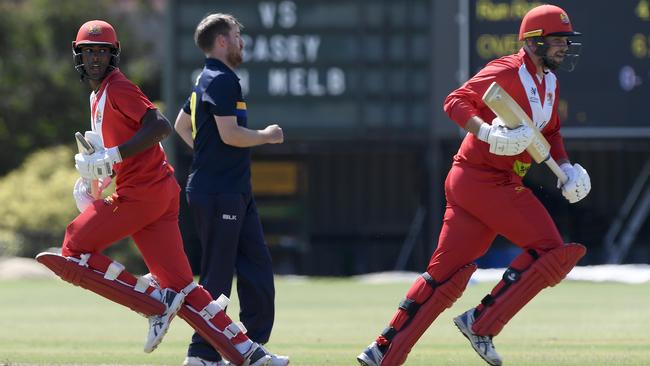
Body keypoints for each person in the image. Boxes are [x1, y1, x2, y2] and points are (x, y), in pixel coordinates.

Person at [37, 19, 284, 366]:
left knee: (73, 246)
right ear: (79, 56)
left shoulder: (118, 87)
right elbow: (116, 151)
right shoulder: (99, 95)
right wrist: (95, 183)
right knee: (184, 287)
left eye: (102, 52)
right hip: (157, 192)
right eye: (89, 51)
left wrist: (114, 155)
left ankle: (153, 301)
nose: (95, 58)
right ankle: (249, 353)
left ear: (113, 56)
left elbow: (161, 126)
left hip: (143, 194)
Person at [357, 5, 591, 366]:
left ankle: (382, 350)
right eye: (557, 40)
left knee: (445, 277)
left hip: (487, 181)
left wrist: (565, 166)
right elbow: (455, 101)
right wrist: (486, 131)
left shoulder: (550, 82)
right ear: (532, 42)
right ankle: (480, 323)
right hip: (483, 179)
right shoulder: (508, 70)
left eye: (565, 40)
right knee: (551, 250)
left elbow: (551, 133)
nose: (564, 46)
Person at [174, 13, 288, 366]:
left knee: (257, 269)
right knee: (217, 276)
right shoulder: (221, 80)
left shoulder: (206, 79)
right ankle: (202, 354)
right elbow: (230, 135)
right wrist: (268, 137)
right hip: (220, 191)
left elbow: (181, 125)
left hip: (233, 190)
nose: (241, 41)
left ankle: (249, 347)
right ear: (221, 41)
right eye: (237, 35)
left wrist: (208, 155)